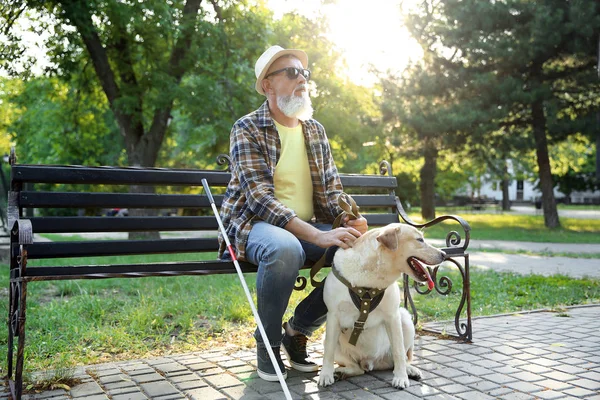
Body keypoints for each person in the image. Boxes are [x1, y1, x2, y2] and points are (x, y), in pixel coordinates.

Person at [218, 45, 368, 382]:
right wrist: (318, 235)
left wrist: (350, 219)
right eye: (291, 72)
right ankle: (267, 342)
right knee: (287, 249)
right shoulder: (247, 128)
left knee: (362, 254)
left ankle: (296, 330)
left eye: (304, 72)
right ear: (268, 85)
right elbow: (259, 199)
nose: (301, 78)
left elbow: (332, 193)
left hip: (306, 227)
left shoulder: (315, 130)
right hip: (254, 225)